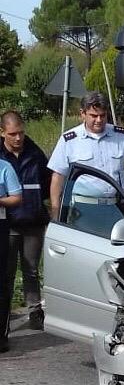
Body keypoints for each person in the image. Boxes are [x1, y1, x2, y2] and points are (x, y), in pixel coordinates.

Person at [48, 92, 124, 237]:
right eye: (94, 115)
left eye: (103, 115)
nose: (99, 120)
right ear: (83, 114)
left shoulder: (121, 136)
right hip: (83, 210)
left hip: (115, 208)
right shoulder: (70, 140)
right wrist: (56, 213)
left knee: (116, 254)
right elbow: (57, 178)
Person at [0, 111, 51, 331]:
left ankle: (34, 311)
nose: (18, 138)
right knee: (7, 272)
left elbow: (48, 185)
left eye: (21, 132)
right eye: (13, 134)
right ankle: (5, 315)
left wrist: (39, 207)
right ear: (2, 132)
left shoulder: (36, 154)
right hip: (7, 224)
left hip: (33, 221)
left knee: (31, 269)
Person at [0, 155, 23, 354]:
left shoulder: (4, 167)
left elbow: (16, 196)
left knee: (1, 281)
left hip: (0, 224)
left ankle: (1, 335)